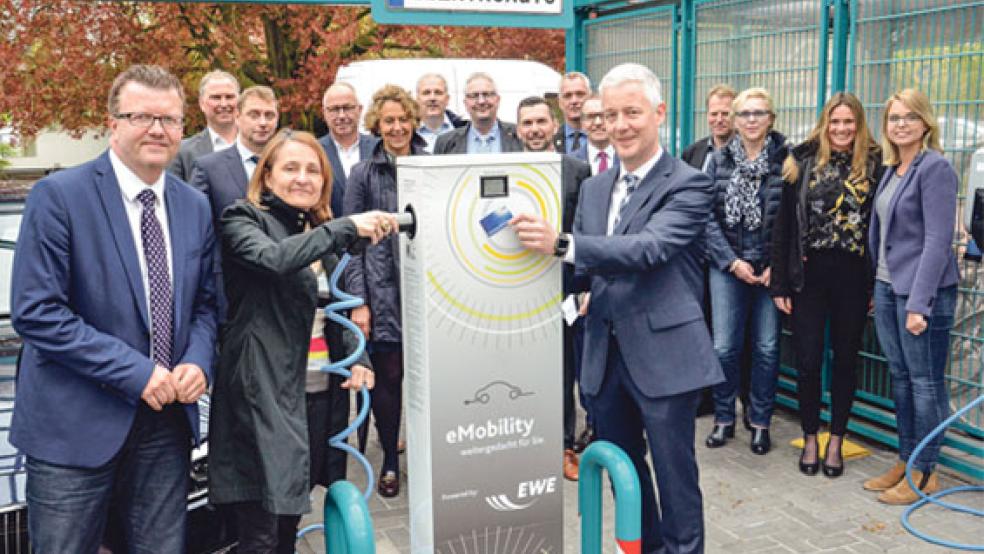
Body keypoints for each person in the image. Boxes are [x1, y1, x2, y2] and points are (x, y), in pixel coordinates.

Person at [511, 62, 724, 554]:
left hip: (665, 358)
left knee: (676, 479)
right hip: (604, 358)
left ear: (659, 113)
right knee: (623, 473)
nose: (621, 125)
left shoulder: (688, 184)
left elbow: (648, 249)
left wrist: (563, 243)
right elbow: (583, 269)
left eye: (633, 112)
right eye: (610, 114)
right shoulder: (593, 187)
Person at [10, 64, 218, 552]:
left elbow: (207, 306)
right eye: (141, 116)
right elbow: (37, 311)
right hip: (73, 427)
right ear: (113, 123)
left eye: (169, 120)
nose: (157, 129)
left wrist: (197, 361)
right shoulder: (59, 196)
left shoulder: (193, 206)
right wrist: (137, 372)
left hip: (165, 426)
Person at [208, 129, 396, 553]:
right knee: (262, 527)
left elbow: (333, 311)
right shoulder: (242, 219)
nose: (302, 178)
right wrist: (344, 228)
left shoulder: (317, 228)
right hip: (263, 395)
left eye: (313, 170)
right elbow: (274, 260)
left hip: (313, 392)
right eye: (290, 168)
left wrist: (358, 357)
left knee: (291, 515)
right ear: (267, 175)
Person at [770, 92, 883, 477]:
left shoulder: (876, 162)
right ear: (825, 123)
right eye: (835, 122)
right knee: (806, 359)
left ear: (859, 124)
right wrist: (781, 284)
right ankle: (811, 436)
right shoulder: (801, 160)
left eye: (848, 122)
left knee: (846, 360)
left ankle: (837, 438)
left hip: (853, 276)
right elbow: (784, 226)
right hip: (808, 276)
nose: (841, 129)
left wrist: (874, 285)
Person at [863, 89, 959, 505]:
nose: (900, 124)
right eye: (893, 118)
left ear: (925, 122)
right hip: (887, 287)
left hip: (922, 293)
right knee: (901, 380)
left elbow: (938, 241)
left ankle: (926, 471)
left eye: (908, 117)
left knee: (925, 383)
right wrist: (876, 287)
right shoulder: (893, 168)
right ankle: (907, 458)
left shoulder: (935, 168)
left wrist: (920, 304)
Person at [344, 84, 429, 498]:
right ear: (377, 125)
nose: (397, 127)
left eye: (403, 119)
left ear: (414, 121)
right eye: (388, 121)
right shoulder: (363, 173)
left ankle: (429, 456)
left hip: (428, 290)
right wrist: (360, 301)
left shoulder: (434, 165)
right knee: (389, 377)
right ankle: (392, 461)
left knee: (429, 377)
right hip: (382, 291)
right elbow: (351, 243)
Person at [705, 87, 788, 455]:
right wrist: (731, 262)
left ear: (771, 118)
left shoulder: (787, 161)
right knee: (724, 346)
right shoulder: (718, 161)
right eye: (744, 114)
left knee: (767, 347)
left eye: (759, 113)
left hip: (770, 268)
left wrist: (776, 264)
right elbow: (705, 219)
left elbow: (794, 220)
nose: (751, 120)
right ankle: (724, 418)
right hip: (729, 266)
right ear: (735, 121)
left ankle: (760, 422)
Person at [514, 95, 591, 481]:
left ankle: (563, 444)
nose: (534, 130)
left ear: (554, 124)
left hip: (562, 286)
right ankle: (522, 442)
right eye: (527, 123)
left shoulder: (578, 170)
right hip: (512, 286)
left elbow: (589, 231)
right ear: (517, 130)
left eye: (541, 121)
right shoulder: (502, 169)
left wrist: (584, 286)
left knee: (563, 368)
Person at [191, 85, 280, 231]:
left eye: (269, 115)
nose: (263, 122)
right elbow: (196, 227)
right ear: (237, 117)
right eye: (254, 115)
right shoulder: (209, 169)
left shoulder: (289, 167)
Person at [319, 82, 378, 218]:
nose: (341, 116)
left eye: (347, 108)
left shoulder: (378, 148)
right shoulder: (314, 152)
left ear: (360, 109)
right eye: (334, 109)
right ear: (324, 113)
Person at [170, 69, 240, 181]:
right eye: (216, 97)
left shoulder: (261, 147)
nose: (224, 104)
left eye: (229, 97)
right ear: (202, 103)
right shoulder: (182, 152)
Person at [433, 72, 523, 154]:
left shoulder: (520, 135)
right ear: (465, 103)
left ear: (497, 100)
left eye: (487, 94)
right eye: (474, 96)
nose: (481, 101)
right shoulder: (445, 143)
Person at [681, 84, 737, 172]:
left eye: (725, 114)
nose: (719, 120)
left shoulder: (746, 153)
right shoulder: (691, 153)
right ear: (707, 115)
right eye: (714, 114)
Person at [415, 73, 461, 153]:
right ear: (417, 100)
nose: (432, 98)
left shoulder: (462, 129)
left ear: (447, 99)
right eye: (426, 93)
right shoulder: (407, 132)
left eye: (438, 92)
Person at [575, 95, 618, 176]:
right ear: (582, 123)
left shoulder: (628, 158)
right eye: (590, 117)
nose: (598, 122)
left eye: (603, 116)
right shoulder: (571, 162)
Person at [552, 71, 590, 156]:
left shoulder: (606, 136)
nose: (574, 101)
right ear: (560, 102)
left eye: (580, 94)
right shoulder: (552, 139)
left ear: (589, 97)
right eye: (567, 96)